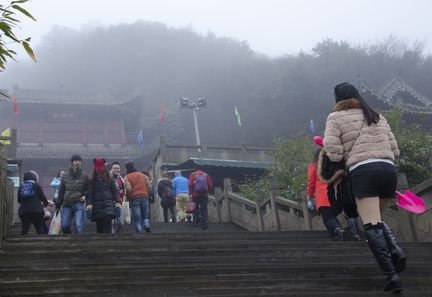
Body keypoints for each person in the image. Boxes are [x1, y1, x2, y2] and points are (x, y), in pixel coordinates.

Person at [324, 82, 404, 293]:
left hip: (364, 173)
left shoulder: (335, 118)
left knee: (370, 224)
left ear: (337, 99)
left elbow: (334, 154)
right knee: (376, 218)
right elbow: (395, 150)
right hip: (388, 171)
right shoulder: (376, 115)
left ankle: (392, 276)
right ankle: (395, 250)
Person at [307, 148, 344, 240]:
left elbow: (311, 182)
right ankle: (339, 234)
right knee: (331, 216)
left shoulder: (313, 166)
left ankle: (338, 231)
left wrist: (309, 197)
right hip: (335, 195)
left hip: (323, 196)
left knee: (327, 217)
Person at [55, 154, 89, 235]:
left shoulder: (85, 176)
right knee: (64, 226)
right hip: (67, 204)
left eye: (79, 161)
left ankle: (78, 245)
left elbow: (89, 189)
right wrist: (58, 205)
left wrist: (85, 195)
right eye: (76, 161)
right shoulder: (65, 176)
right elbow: (61, 191)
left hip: (79, 203)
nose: (78, 163)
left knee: (78, 225)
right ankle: (69, 240)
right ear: (72, 162)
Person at [86, 158, 122, 233]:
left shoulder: (110, 178)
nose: (99, 171)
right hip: (97, 206)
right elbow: (90, 194)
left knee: (107, 224)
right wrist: (88, 205)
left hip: (108, 205)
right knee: (99, 228)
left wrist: (118, 203)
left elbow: (115, 192)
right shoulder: (92, 180)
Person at [124, 161, 151, 233]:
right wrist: (146, 193)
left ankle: (139, 232)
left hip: (135, 197)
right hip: (144, 196)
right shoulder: (143, 175)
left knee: (137, 217)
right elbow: (149, 186)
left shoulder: (127, 177)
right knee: (145, 214)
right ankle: (146, 224)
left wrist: (129, 197)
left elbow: (128, 189)